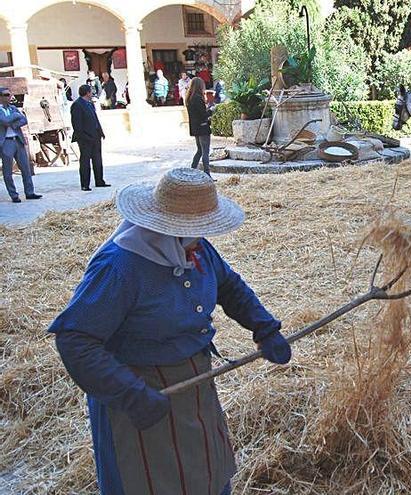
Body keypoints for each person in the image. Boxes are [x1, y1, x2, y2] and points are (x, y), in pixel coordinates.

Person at [48, 167, 291, 495]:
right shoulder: (121, 267)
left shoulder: (195, 247)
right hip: (140, 397)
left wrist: (264, 327)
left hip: (193, 389)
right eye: (197, 227)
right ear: (167, 224)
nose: (203, 236)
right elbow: (75, 340)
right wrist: (130, 394)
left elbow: (228, 286)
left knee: (207, 476)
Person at [0, 87, 41, 203]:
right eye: (6, 95)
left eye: (9, 94)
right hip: (6, 142)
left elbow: (24, 120)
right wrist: (15, 117)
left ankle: (29, 192)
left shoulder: (13, 108)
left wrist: (13, 124)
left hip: (18, 140)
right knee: (8, 171)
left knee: (26, 168)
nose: (9, 97)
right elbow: (5, 120)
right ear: (0, 97)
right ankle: (14, 195)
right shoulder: (5, 110)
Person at [71, 85, 110, 191]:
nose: (92, 93)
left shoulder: (90, 104)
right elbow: (77, 124)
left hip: (95, 136)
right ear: (87, 93)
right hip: (85, 138)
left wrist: (101, 132)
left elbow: (95, 119)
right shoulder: (77, 105)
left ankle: (99, 181)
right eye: (90, 92)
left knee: (97, 160)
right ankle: (85, 184)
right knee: (85, 161)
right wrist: (83, 136)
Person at [186, 77, 214, 178]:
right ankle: (207, 174)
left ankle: (192, 171)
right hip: (202, 128)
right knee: (205, 151)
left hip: (195, 128)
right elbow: (203, 115)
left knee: (200, 151)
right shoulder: (198, 98)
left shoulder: (189, 98)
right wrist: (211, 110)